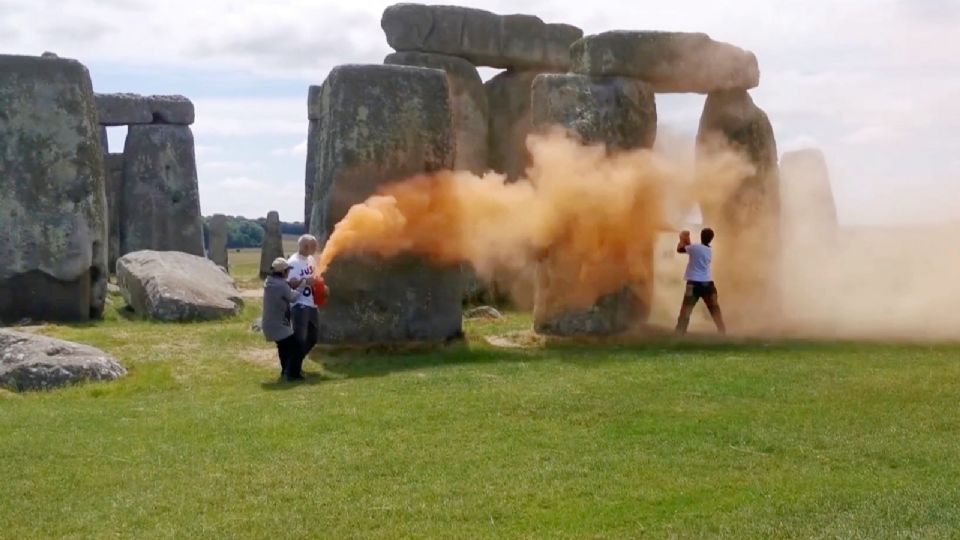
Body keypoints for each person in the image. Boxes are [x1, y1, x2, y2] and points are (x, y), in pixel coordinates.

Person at [261, 257, 312, 381]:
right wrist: (303, 283)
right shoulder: (280, 285)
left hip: (270, 323)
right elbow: (293, 297)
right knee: (297, 346)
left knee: (284, 348)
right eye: (287, 270)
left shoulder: (271, 281)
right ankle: (293, 374)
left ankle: (286, 372)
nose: (289, 272)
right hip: (278, 324)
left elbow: (284, 290)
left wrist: (292, 284)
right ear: (283, 272)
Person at [675, 227, 726, 335]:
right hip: (708, 283)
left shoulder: (695, 248)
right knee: (714, 308)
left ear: (701, 235)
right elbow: (693, 249)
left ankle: (680, 332)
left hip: (693, 284)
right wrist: (687, 239)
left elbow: (680, 249)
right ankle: (722, 330)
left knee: (686, 309)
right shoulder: (708, 250)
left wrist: (682, 238)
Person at [287, 234, 321, 359]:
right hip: (300, 304)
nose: (315, 248)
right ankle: (291, 369)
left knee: (313, 337)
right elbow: (290, 283)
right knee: (299, 338)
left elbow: (315, 276)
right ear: (306, 246)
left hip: (312, 303)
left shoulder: (311, 259)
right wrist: (305, 281)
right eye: (314, 246)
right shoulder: (293, 262)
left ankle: (295, 362)